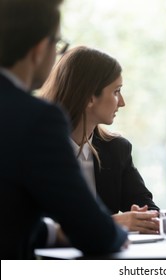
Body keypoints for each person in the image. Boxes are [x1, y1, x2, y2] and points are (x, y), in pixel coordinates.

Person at [0, 0, 128, 259]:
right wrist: (119, 229)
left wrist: (48, 232)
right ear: (38, 50)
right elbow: (96, 234)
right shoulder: (35, 119)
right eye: (57, 45)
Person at [40, 46, 160, 234]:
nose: (122, 102)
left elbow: (151, 212)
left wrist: (142, 218)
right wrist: (113, 223)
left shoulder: (117, 149)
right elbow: (31, 227)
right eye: (116, 91)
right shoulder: (36, 148)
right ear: (89, 97)